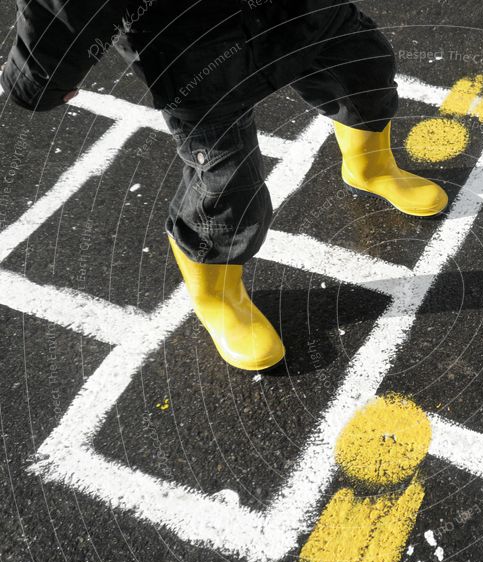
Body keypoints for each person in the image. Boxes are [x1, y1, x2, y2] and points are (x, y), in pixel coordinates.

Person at [1, 0, 448, 371]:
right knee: (227, 181)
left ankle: (369, 167)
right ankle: (217, 297)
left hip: (307, 10)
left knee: (363, 71)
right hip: (195, 45)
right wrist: (41, 75)